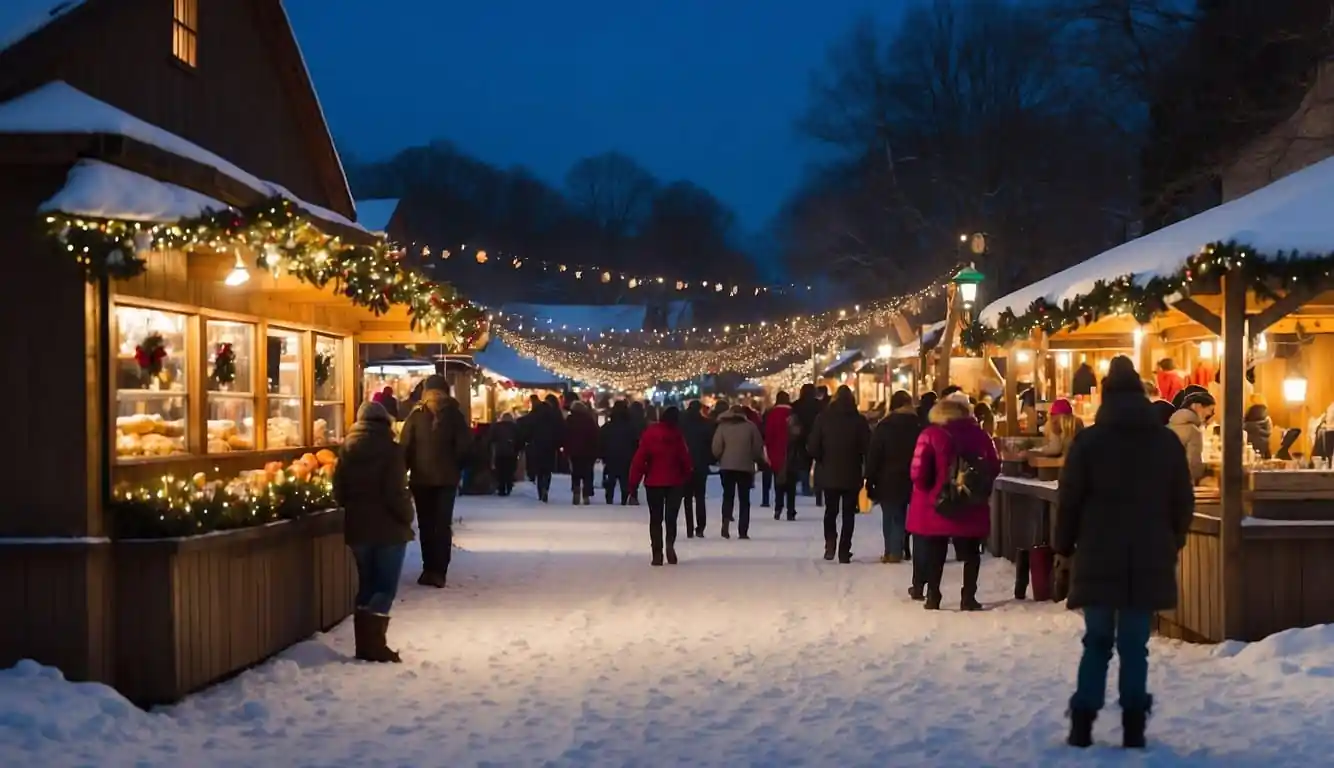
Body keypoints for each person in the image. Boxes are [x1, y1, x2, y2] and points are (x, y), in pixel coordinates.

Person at [1056, 356, 1194, 749]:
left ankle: (1083, 719)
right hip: (1148, 554)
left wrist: (1064, 547)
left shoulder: (1089, 441)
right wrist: (1172, 540)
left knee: (1096, 641)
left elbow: (1069, 500)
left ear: (1105, 396)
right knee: (1135, 644)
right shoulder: (1165, 441)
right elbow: (1182, 501)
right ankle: (1134, 723)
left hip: (1098, 552)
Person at [333, 401, 413, 663]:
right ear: (385, 422)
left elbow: (339, 491)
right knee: (385, 587)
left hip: (358, 528)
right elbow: (396, 492)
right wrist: (407, 516)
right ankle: (374, 645)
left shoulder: (346, 449)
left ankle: (364, 645)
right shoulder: (391, 450)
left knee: (366, 585)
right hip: (389, 528)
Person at [907, 391, 1000, 609]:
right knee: (971, 553)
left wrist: (930, 489)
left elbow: (918, 473)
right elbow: (994, 466)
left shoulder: (930, 434)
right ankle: (968, 597)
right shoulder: (980, 435)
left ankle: (933, 595)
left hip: (938, 503)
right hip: (970, 501)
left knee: (936, 550)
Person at [399, 375, 471, 588]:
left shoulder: (416, 416)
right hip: (447, 480)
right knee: (442, 525)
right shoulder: (455, 416)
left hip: (421, 480)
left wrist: (403, 471)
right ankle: (439, 571)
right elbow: (465, 447)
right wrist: (455, 466)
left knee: (427, 525)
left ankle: (429, 568)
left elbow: (405, 447)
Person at [808, 386, 871, 563]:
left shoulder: (823, 419)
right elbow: (867, 447)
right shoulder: (859, 421)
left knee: (830, 511)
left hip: (828, 472)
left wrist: (821, 458)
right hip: (851, 472)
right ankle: (845, 549)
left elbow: (813, 446)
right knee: (848, 513)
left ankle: (830, 542)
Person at [629, 406, 694, 566]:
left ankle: (657, 553)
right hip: (674, 481)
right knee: (671, 518)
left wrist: (633, 483)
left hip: (653, 481)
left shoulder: (650, 434)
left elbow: (639, 459)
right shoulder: (677, 435)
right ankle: (670, 544)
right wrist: (687, 475)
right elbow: (684, 458)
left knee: (656, 519)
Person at [865, 390, 921, 564]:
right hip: (913, 475)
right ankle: (903, 547)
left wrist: (870, 478)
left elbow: (874, 454)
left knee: (892, 515)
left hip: (888, 477)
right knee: (908, 515)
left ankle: (892, 550)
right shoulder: (918, 424)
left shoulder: (885, 426)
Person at [712, 404, 768, 539]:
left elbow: (716, 447)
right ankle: (743, 530)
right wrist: (754, 458)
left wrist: (720, 457)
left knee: (728, 496)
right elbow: (757, 447)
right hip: (745, 467)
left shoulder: (722, 427)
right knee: (744, 499)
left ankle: (725, 524)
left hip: (727, 466)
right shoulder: (750, 427)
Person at [680, 400, 715, 536]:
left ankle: (689, 527)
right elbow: (710, 445)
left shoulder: (682, 425)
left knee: (687, 498)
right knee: (700, 497)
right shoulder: (706, 425)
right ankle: (700, 527)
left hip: (685, 464)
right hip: (701, 464)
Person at [520, 399, 562, 502]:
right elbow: (560, 430)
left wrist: (526, 440)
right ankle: (545, 488)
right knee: (547, 470)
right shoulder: (554, 417)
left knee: (539, 470)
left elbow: (526, 428)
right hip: (550, 446)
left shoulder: (533, 416)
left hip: (536, 445)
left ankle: (540, 490)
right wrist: (558, 444)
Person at [1169, 391, 1215, 484]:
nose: (1210, 415)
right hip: (1181, 486)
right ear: (1197, 406)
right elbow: (1194, 467)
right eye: (1210, 410)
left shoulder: (1169, 426)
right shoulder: (1193, 431)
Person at [763, 391, 796, 520]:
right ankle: (791, 510)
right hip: (791, 452)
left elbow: (768, 435)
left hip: (776, 453)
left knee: (779, 483)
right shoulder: (793, 414)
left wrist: (767, 453)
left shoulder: (772, 414)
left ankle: (778, 507)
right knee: (791, 484)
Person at [599, 400, 639, 505]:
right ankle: (624, 498)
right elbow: (635, 442)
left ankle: (609, 497)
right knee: (624, 479)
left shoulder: (607, 426)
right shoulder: (631, 427)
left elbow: (601, 440)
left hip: (610, 455)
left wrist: (602, 454)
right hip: (626, 456)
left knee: (611, 478)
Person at [564, 401, 600, 505]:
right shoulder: (589, 420)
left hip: (574, 451)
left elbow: (566, 435)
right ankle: (586, 495)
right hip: (588, 452)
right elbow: (595, 435)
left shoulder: (570, 420)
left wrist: (566, 450)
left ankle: (576, 490)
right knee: (588, 473)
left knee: (575, 472)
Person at [792, 384, 821, 496]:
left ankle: (805, 485)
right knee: (817, 461)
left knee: (802, 462)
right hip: (816, 435)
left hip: (800, 436)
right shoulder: (819, 405)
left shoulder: (796, 405)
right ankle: (816, 486)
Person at [489, 412, 521, 496]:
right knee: (509, 470)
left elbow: (491, 438)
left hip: (499, 452)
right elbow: (518, 439)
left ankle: (501, 488)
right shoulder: (515, 427)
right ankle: (509, 485)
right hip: (511, 453)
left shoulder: (497, 427)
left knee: (500, 471)